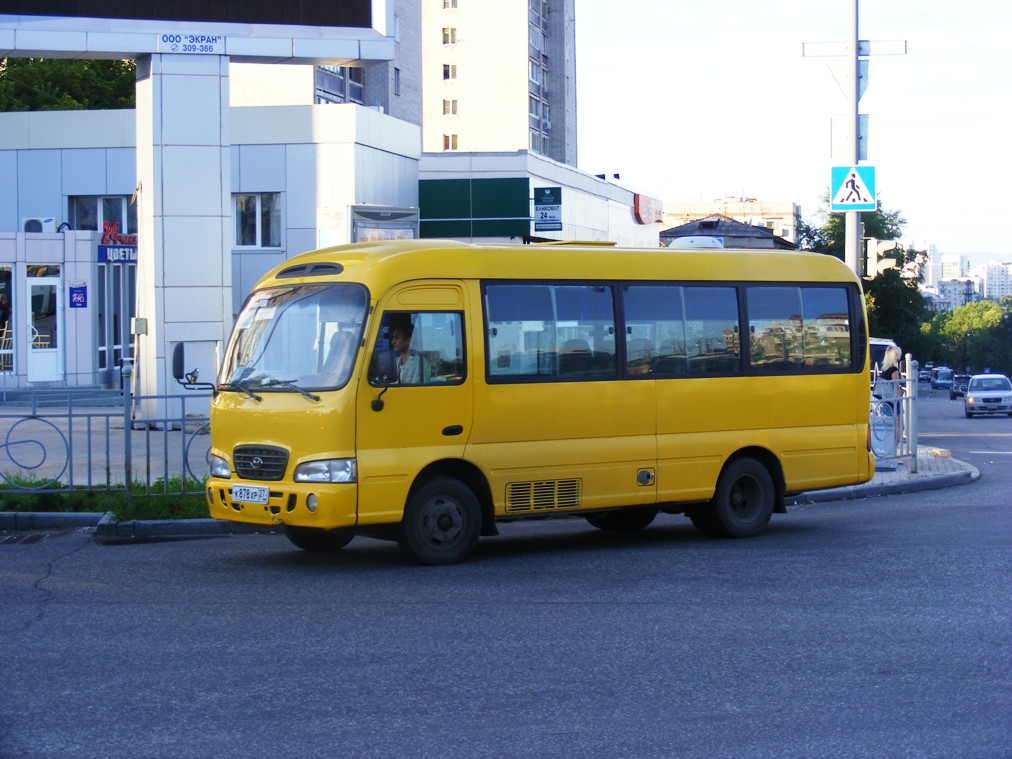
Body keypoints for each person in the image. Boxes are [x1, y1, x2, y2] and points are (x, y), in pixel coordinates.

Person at [388, 319, 430, 384]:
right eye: (393, 338)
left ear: (408, 341)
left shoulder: (420, 364)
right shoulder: (395, 363)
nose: (393, 342)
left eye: (396, 338)